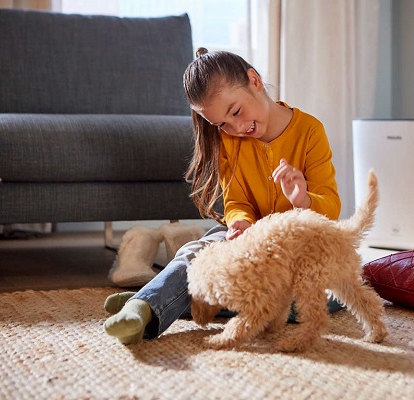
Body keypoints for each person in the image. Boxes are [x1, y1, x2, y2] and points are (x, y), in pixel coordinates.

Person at [103, 48, 342, 344]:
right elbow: (236, 202)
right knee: (198, 252)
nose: (237, 128)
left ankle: (164, 300)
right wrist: (239, 223)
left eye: (236, 111)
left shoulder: (310, 131)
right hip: (250, 245)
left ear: (254, 80)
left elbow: (330, 209)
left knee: (317, 301)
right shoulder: (231, 140)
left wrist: (303, 200)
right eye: (223, 124)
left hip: (298, 250)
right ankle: (144, 307)